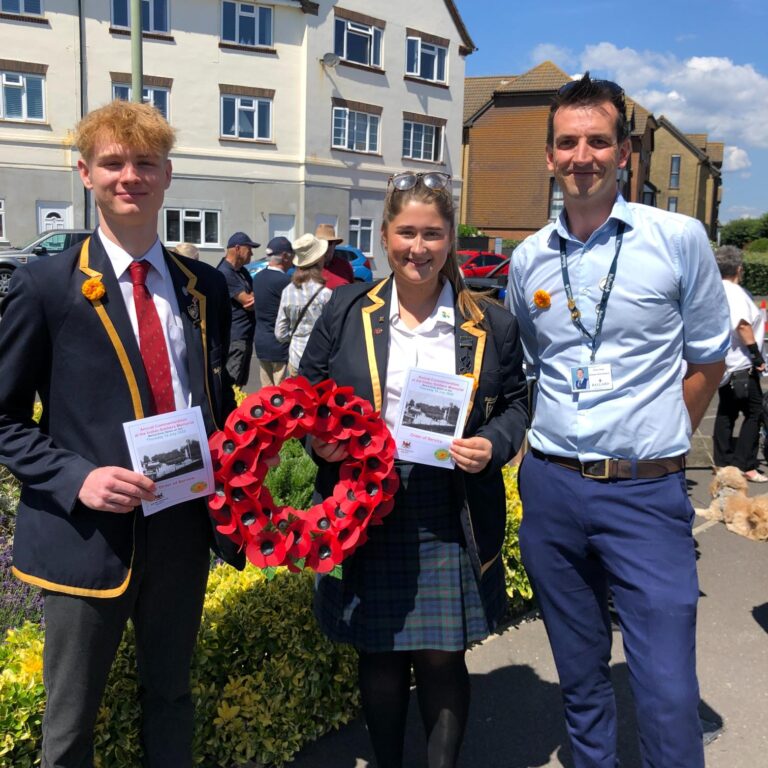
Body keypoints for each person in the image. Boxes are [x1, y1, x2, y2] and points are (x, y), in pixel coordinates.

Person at [0, 100, 243, 768]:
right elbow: (4, 417)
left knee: (170, 698)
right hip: (88, 540)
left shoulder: (205, 289)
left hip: (181, 530)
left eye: (144, 163)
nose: (128, 176)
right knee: (71, 724)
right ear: (85, 173)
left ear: (168, 175)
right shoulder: (44, 285)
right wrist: (79, 477)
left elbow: (214, 403)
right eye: (112, 162)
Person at [507, 73, 730, 768]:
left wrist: (653, 444)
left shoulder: (678, 239)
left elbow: (708, 361)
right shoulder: (527, 258)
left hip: (644, 494)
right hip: (551, 489)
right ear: (549, 156)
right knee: (580, 681)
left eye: (598, 141)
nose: (583, 155)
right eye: (567, 142)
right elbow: (531, 365)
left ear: (625, 151)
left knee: (665, 692)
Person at [300, 170, 528, 768]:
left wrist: (493, 444)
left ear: (450, 238)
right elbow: (307, 391)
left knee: (441, 655)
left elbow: (517, 402)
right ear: (384, 236)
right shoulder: (348, 308)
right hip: (365, 500)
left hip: (448, 503)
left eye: (431, 233)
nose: (418, 247)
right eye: (406, 232)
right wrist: (320, 441)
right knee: (377, 653)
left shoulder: (490, 322)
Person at [713, 244, 767, 481]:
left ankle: (724, 462)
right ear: (738, 268)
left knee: (727, 411)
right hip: (741, 364)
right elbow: (742, 325)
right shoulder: (733, 291)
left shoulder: (716, 289)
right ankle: (744, 464)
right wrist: (757, 357)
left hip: (725, 364)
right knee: (755, 412)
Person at [274, 233, 333, 377]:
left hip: (295, 359)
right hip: (320, 361)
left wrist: (297, 336)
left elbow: (280, 333)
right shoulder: (326, 294)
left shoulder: (287, 291)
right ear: (319, 259)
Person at [217, 231, 258, 387]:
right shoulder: (225, 272)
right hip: (236, 337)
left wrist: (254, 297)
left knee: (240, 383)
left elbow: (253, 297)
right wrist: (253, 298)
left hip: (245, 336)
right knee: (232, 384)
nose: (252, 253)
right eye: (249, 249)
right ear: (237, 248)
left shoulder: (242, 271)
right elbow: (248, 301)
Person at [252, 236, 292, 387]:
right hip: (280, 344)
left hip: (261, 341)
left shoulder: (258, 278)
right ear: (284, 256)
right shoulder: (285, 282)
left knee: (266, 392)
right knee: (282, 394)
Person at [315, 222, 354, 289]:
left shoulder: (345, 266)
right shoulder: (308, 267)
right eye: (321, 243)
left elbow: (351, 291)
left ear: (334, 245)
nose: (325, 247)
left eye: (329, 243)